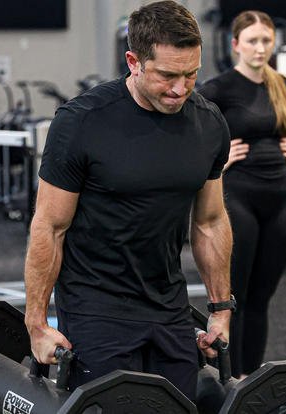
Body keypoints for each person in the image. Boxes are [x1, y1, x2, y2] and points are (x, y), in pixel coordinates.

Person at [23, 0, 233, 400]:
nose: (180, 89)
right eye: (167, 75)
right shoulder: (81, 122)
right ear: (134, 61)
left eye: (191, 74)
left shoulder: (208, 123)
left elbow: (210, 221)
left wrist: (221, 308)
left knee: (176, 407)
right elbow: (50, 227)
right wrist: (36, 322)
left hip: (168, 305)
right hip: (95, 305)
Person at [198, 11, 286, 379]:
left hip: (279, 199)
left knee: (262, 299)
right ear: (235, 44)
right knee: (234, 300)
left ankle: (250, 380)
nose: (260, 47)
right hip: (238, 199)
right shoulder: (220, 88)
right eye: (252, 40)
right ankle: (229, 378)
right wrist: (218, 159)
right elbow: (186, 130)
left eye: (266, 40)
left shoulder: (282, 84)